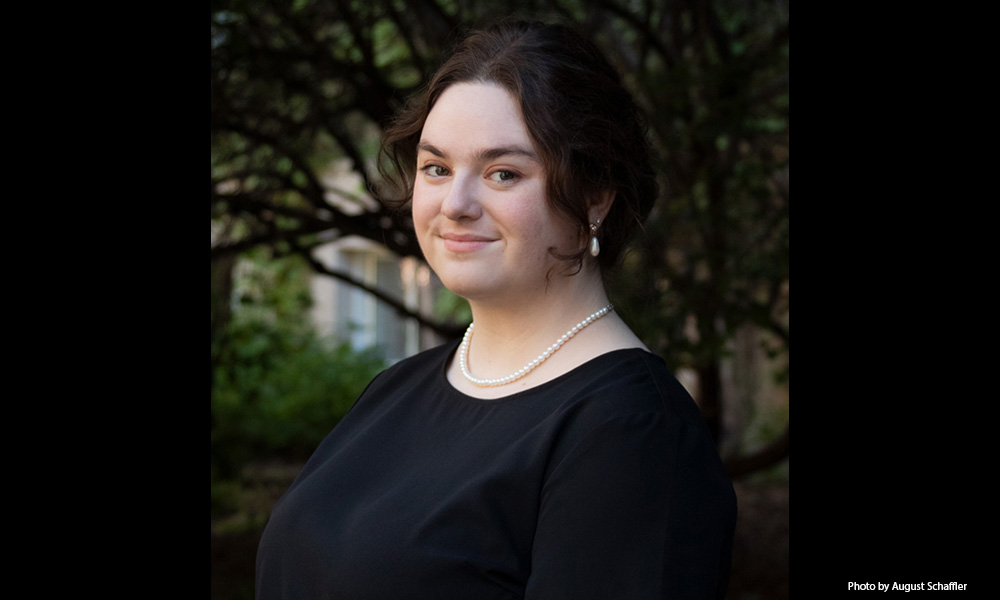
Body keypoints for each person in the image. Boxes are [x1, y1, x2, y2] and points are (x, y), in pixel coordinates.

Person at [256, 19, 736, 599]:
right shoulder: (395, 390)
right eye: (436, 168)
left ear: (595, 197)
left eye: (502, 173)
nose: (455, 204)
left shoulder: (633, 434)